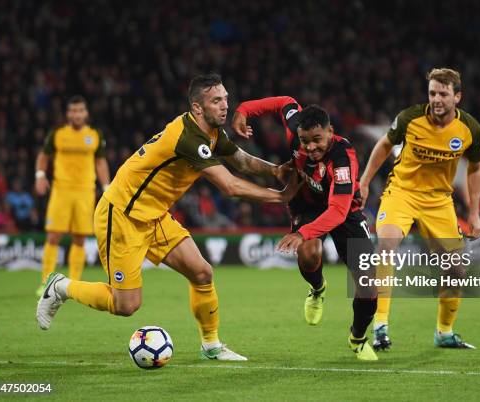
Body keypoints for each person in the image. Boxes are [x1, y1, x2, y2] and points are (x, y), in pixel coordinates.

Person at [36, 73, 297, 361]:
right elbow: (230, 186)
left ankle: (211, 346)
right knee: (126, 304)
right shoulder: (188, 137)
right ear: (198, 108)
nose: (225, 106)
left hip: (154, 216)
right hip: (122, 215)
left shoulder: (210, 133)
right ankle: (60, 286)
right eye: (216, 101)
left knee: (201, 272)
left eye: (225, 98)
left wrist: (275, 171)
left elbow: (241, 160)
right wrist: (280, 196)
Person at [233, 100, 378, 361]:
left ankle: (357, 337)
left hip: (345, 210)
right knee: (309, 252)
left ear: (331, 131)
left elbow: (337, 211)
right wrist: (243, 110)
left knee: (369, 286)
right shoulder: (295, 128)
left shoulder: (342, 160)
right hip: (307, 203)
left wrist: (301, 233)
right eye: (304, 140)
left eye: (317, 140)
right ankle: (318, 289)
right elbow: (285, 103)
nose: (310, 147)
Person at [359, 68, 480, 350]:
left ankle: (444, 332)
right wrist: (365, 182)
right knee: (386, 246)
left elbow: (476, 167)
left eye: (443, 93)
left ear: (457, 97)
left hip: (439, 200)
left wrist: (474, 212)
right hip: (401, 193)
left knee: (456, 268)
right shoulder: (409, 118)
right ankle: (380, 326)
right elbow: (383, 145)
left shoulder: (470, 129)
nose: (436, 99)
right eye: (432, 93)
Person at [34, 96, 111, 296]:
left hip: (85, 191)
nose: (77, 114)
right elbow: (44, 156)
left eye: (80, 111)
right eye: (73, 111)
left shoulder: (94, 135)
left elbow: (100, 162)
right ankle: (46, 283)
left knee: (80, 238)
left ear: (86, 113)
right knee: (53, 236)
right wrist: (40, 176)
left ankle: (72, 283)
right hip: (61, 190)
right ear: (68, 114)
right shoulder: (58, 134)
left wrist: (106, 186)